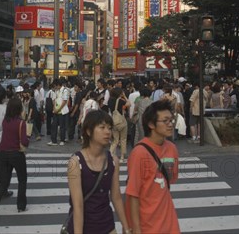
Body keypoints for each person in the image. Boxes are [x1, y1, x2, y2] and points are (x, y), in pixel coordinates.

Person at [65, 109, 131, 234]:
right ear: (89, 131)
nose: (108, 132)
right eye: (102, 127)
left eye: (110, 128)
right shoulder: (76, 162)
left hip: (107, 227)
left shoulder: (113, 160)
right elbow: (77, 205)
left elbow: (116, 197)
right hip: (84, 228)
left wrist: (126, 228)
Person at [125, 100, 180, 234]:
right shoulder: (139, 153)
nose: (170, 124)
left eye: (172, 120)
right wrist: (136, 230)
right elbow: (132, 194)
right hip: (147, 224)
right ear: (151, 124)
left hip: (169, 221)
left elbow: (171, 179)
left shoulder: (172, 149)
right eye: (165, 121)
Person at [0, 97, 29, 217]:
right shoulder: (21, 122)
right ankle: (21, 206)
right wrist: (28, 136)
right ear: (19, 109)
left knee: (4, 183)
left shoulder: (5, 121)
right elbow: (24, 142)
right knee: (22, 179)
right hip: (16, 154)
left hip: (3, 153)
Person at [108, 87, 129, 162]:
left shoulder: (110, 100)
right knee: (123, 139)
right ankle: (122, 157)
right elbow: (129, 104)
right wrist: (124, 96)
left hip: (114, 122)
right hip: (122, 122)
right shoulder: (120, 100)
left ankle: (110, 154)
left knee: (115, 140)